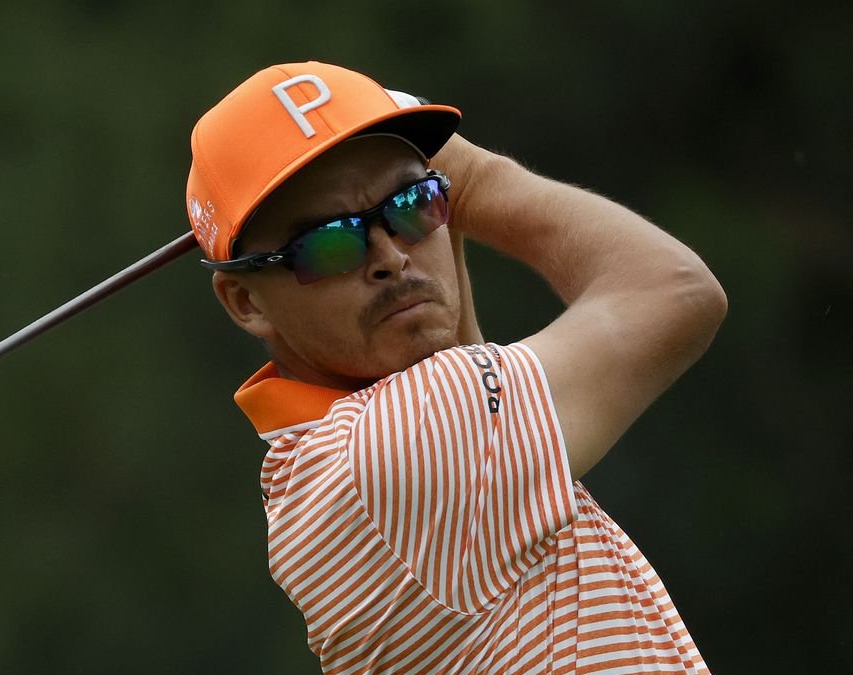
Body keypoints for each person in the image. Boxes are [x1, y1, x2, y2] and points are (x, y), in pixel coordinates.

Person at [185, 61, 726, 674]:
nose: (389, 256)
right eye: (329, 243)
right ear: (247, 300)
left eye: (413, 206)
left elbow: (462, 358)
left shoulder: (327, 464)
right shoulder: (393, 453)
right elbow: (676, 290)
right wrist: (469, 174)